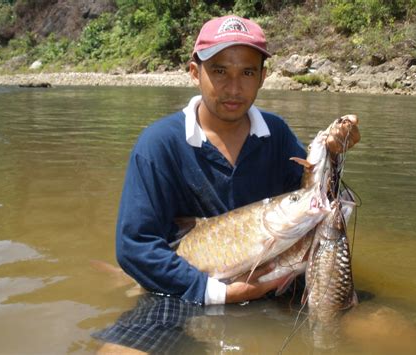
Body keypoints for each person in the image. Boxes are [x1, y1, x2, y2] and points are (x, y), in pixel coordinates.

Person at [115, 15, 359, 307]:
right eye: (219, 71)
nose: (233, 88)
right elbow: (135, 247)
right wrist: (218, 294)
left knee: (382, 328)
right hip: (187, 291)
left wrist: (332, 153)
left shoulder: (277, 134)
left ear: (262, 77)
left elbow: (313, 203)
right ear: (195, 72)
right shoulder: (157, 145)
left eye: (247, 73)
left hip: (279, 284)